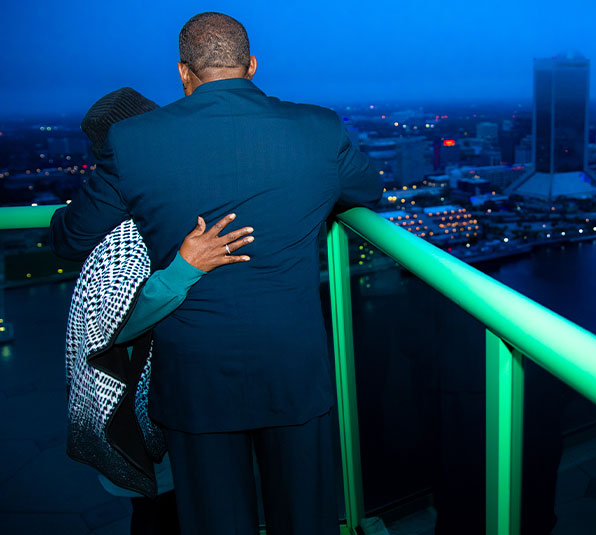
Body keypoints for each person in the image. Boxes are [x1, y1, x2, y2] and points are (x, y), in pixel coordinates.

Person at [50, 11, 382, 534]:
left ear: (183, 72)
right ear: (251, 65)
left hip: (195, 379)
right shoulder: (319, 127)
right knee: (306, 519)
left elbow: (69, 238)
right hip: (292, 369)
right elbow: (367, 193)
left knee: (214, 522)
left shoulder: (132, 141)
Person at [65, 87, 254, 534]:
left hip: (172, 396)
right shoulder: (124, 227)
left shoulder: (118, 202)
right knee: (165, 513)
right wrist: (184, 270)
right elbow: (114, 324)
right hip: (151, 405)